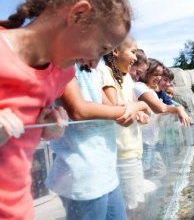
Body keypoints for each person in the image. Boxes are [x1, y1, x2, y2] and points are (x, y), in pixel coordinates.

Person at [0, 0, 132, 219]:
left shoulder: (61, 74)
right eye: (101, 48)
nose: (95, 62)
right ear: (78, 15)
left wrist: (47, 126)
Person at [46, 59, 146, 220]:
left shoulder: (91, 72)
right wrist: (132, 108)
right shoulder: (63, 64)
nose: (98, 57)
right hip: (82, 177)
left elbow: (112, 108)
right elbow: (79, 110)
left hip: (107, 173)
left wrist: (134, 109)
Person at [100, 36, 151, 219]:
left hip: (133, 151)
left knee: (135, 205)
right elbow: (119, 111)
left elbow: (136, 107)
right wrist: (138, 108)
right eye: (132, 51)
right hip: (121, 154)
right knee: (132, 208)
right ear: (115, 51)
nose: (135, 58)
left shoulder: (126, 78)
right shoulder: (105, 72)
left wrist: (140, 111)